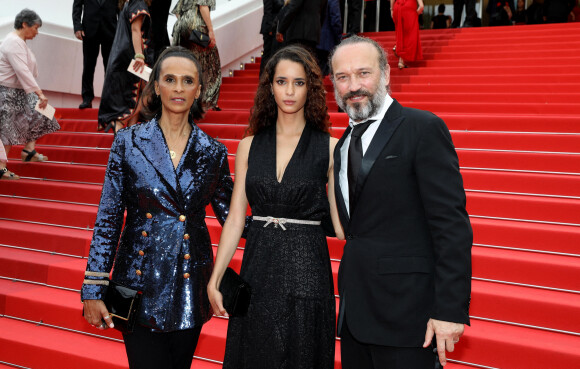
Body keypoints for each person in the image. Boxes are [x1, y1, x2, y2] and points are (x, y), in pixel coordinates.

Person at [81, 46, 234, 369]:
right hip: (137, 283)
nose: (178, 88)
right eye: (170, 79)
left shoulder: (213, 152)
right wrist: (94, 287)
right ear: (156, 87)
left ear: (199, 90)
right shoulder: (128, 142)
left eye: (187, 80)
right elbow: (108, 218)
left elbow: (235, 219)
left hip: (190, 284)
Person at [329, 35, 472, 369]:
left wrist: (449, 310)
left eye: (363, 73)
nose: (354, 86)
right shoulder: (343, 144)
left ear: (386, 74)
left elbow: (451, 226)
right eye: (343, 77)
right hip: (356, 316)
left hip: (409, 318)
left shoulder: (422, 128)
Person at [207, 45, 344, 369]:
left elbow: (340, 227)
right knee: (254, 353)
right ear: (270, 86)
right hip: (259, 268)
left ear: (310, 88)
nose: (289, 91)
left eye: (298, 83)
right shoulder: (248, 146)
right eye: (282, 81)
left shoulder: (330, 147)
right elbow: (236, 218)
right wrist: (216, 278)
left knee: (302, 355)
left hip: (308, 272)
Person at [0, 9, 60, 173]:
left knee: (45, 113)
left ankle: (29, 150)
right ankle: (1, 168)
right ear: (25, 24)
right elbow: (22, 71)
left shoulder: (20, 41)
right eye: (35, 28)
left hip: (21, 91)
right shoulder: (13, 42)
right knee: (7, 130)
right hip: (8, 92)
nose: (36, 32)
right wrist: (39, 93)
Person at [98, 0, 153, 134]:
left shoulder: (128, 3)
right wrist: (139, 55)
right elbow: (136, 30)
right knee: (144, 93)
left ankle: (128, 129)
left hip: (123, 56)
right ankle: (121, 122)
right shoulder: (138, 3)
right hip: (134, 56)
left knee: (139, 94)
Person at [172, 0, 222, 111]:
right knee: (211, 63)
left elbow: (177, 11)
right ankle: (206, 100)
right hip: (196, 25)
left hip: (181, 26)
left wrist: (186, 22)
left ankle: (188, 99)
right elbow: (203, 6)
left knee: (186, 64)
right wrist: (210, 30)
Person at [72, 0, 119, 109]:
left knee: (110, 68)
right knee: (88, 66)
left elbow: (120, 9)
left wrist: (121, 31)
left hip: (111, 31)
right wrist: (77, 26)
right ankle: (87, 99)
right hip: (89, 30)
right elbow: (77, 6)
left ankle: (109, 100)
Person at [391, 0, 424, 69]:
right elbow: (421, 6)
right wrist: (416, 14)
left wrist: (392, 9)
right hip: (409, 7)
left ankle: (401, 60)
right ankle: (402, 59)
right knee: (411, 35)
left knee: (400, 34)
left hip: (397, 7)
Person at [317, 0, 343, 76]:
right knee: (323, 71)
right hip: (326, 39)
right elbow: (335, 20)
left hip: (314, 38)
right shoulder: (333, 0)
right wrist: (339, 37)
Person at [259, 0, 285, 76]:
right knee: (267, 53)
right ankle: (263, 76)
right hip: (269, 28)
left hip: (276, 26)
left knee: (274, 52)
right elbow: (267, 12)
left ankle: (271, 75)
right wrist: (270, 28)